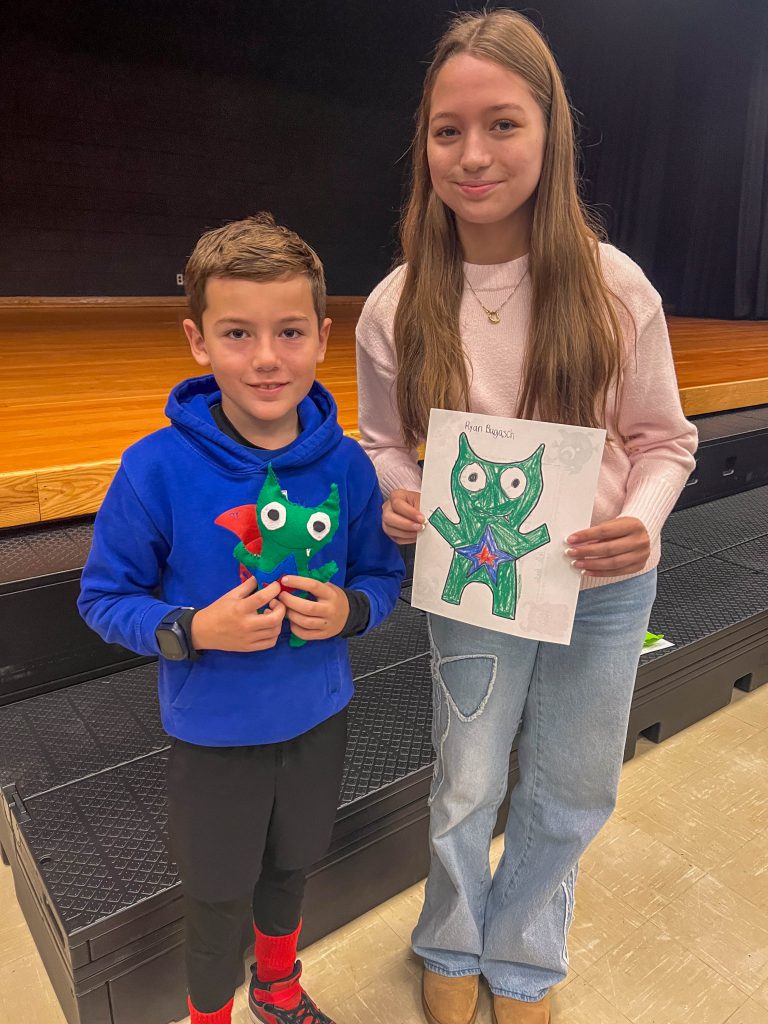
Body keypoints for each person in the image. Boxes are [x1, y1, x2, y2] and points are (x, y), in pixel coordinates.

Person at [356, 10, 697, 1024]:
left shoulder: (612, 285)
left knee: (573, 784)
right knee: (464, 782)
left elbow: (664, 440)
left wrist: (645, 520)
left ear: (550, 133)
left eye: (502, 124)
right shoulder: (396, 302)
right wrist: (397, 491)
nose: (473, 154)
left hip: (601, 589)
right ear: (424, 143)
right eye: (447, 129)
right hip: (475, 584)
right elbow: (380, 439)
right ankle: (449, 936)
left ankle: (524, 956)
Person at [79, 213, 403, 1024]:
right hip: (215, 733)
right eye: (237, 333)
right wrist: (192, 629)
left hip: (318, 716)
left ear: (324, 336)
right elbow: (102, 597)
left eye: (290, 332)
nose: (266, 358)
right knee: (217, 892)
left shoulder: (348, 464)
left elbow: (380, 575)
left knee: (293, 865)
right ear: (198, 341)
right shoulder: (154, 467)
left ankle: (278, 989)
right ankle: (209, 1017)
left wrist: (354, 610)